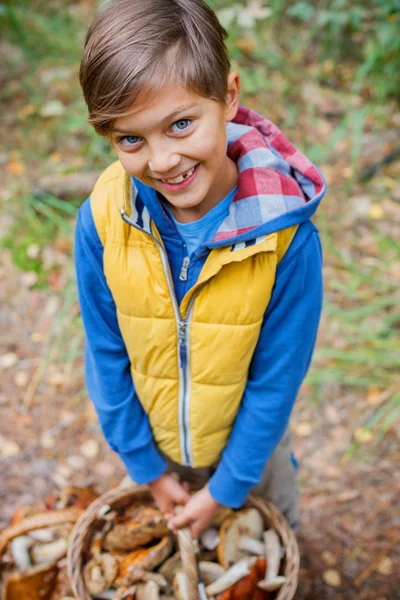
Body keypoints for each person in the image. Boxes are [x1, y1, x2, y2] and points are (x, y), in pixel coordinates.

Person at [75, 0, 325, 538]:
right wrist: (146, 466)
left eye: (181, 124)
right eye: (131, 139)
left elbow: (275, 381)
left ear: (228, 96)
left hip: (251, 455)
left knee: (265, 548)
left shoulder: (287, 240)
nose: (162, 160)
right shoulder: (102, 221)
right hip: (160, 450)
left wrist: (228, 486)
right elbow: (105, 350)